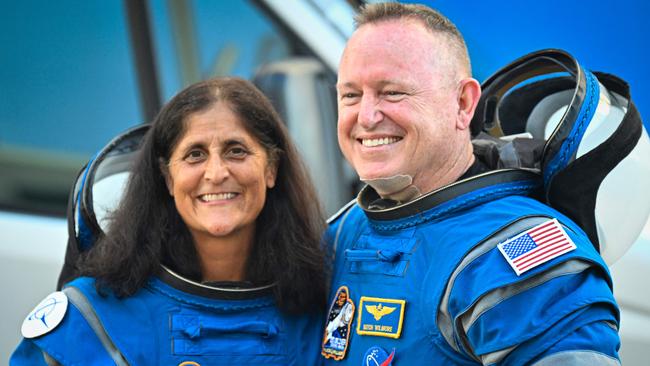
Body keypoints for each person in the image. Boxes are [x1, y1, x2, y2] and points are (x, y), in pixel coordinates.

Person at [321, 2, 621, 365]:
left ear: (463, 103)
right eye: (351, 95)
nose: (366, 117)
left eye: (392, 92)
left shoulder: (520, 257)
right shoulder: (344, 230)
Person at [11, 77, 327, 365]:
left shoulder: (320, 313)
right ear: (168, 178)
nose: (216, 173)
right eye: (195, 155)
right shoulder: (90, 321)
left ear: (271, 169)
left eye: (236, 151)